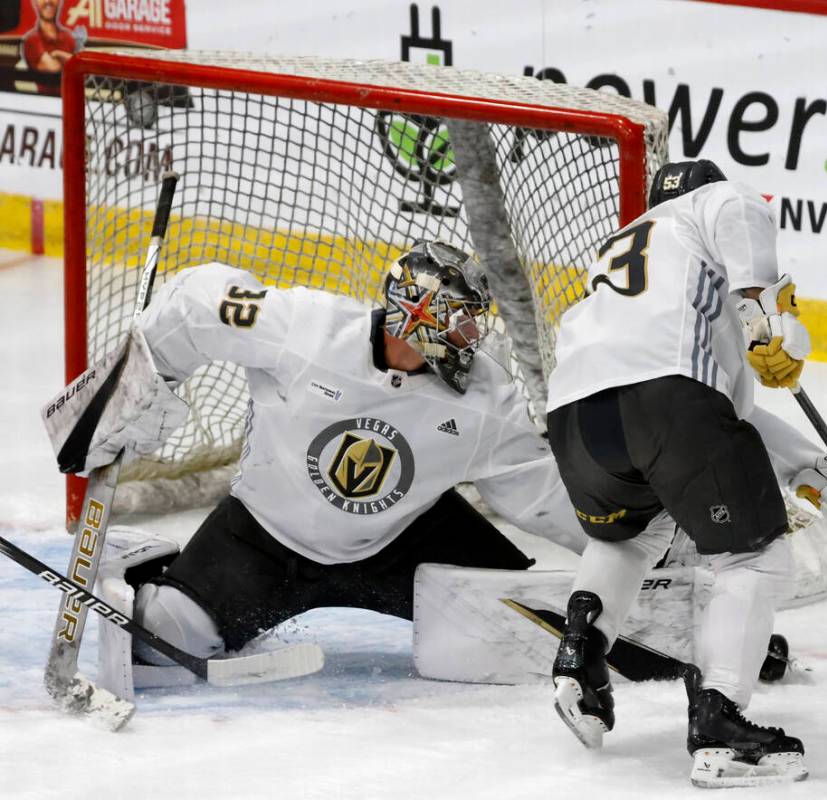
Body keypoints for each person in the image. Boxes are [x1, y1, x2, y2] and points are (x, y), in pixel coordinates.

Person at [544, 160, 827, 788]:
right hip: (665, 402)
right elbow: (693, 410)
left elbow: (727, 420)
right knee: (755, 556)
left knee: (629, 537)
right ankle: (720, 725)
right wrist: (769, 319)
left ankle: (580, 657)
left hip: (574, 416)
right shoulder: (718, 203)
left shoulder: (633, 260)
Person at [68, 240, 588, 668]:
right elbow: (195, 304)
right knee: (166, 639)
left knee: (524, 630)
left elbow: (541, 488)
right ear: (419, 318)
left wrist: (632, 545)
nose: (472, 339)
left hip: (404, 543)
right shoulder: (308, 330)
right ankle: (148, 575)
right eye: (462, 323)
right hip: (263, 536)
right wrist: (133, 390)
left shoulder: (484, 399)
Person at [21, 0, 77, 73]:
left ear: (60, 1)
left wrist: (57, 54)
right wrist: (69, 59)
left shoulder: (68, 37)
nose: (48, 1)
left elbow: (82, 70)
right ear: (34, 2)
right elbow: (54, 68)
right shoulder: (32, 40)